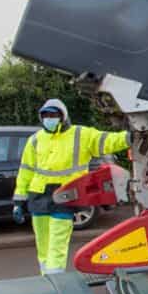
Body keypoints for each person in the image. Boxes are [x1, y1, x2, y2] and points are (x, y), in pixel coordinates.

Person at [13, 99, 130, 274]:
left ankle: (56, 278)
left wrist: (129, 137)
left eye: (53, 115)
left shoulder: (80, 134)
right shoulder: (35, 140)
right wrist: (19, 200)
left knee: (57, 242)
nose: (49, 119)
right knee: (43, 243)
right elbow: (26, 171)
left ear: (63, 116)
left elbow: (106, 140)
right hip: (39, 195)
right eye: (45, 115)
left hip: (65, 195)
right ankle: (46, 276)